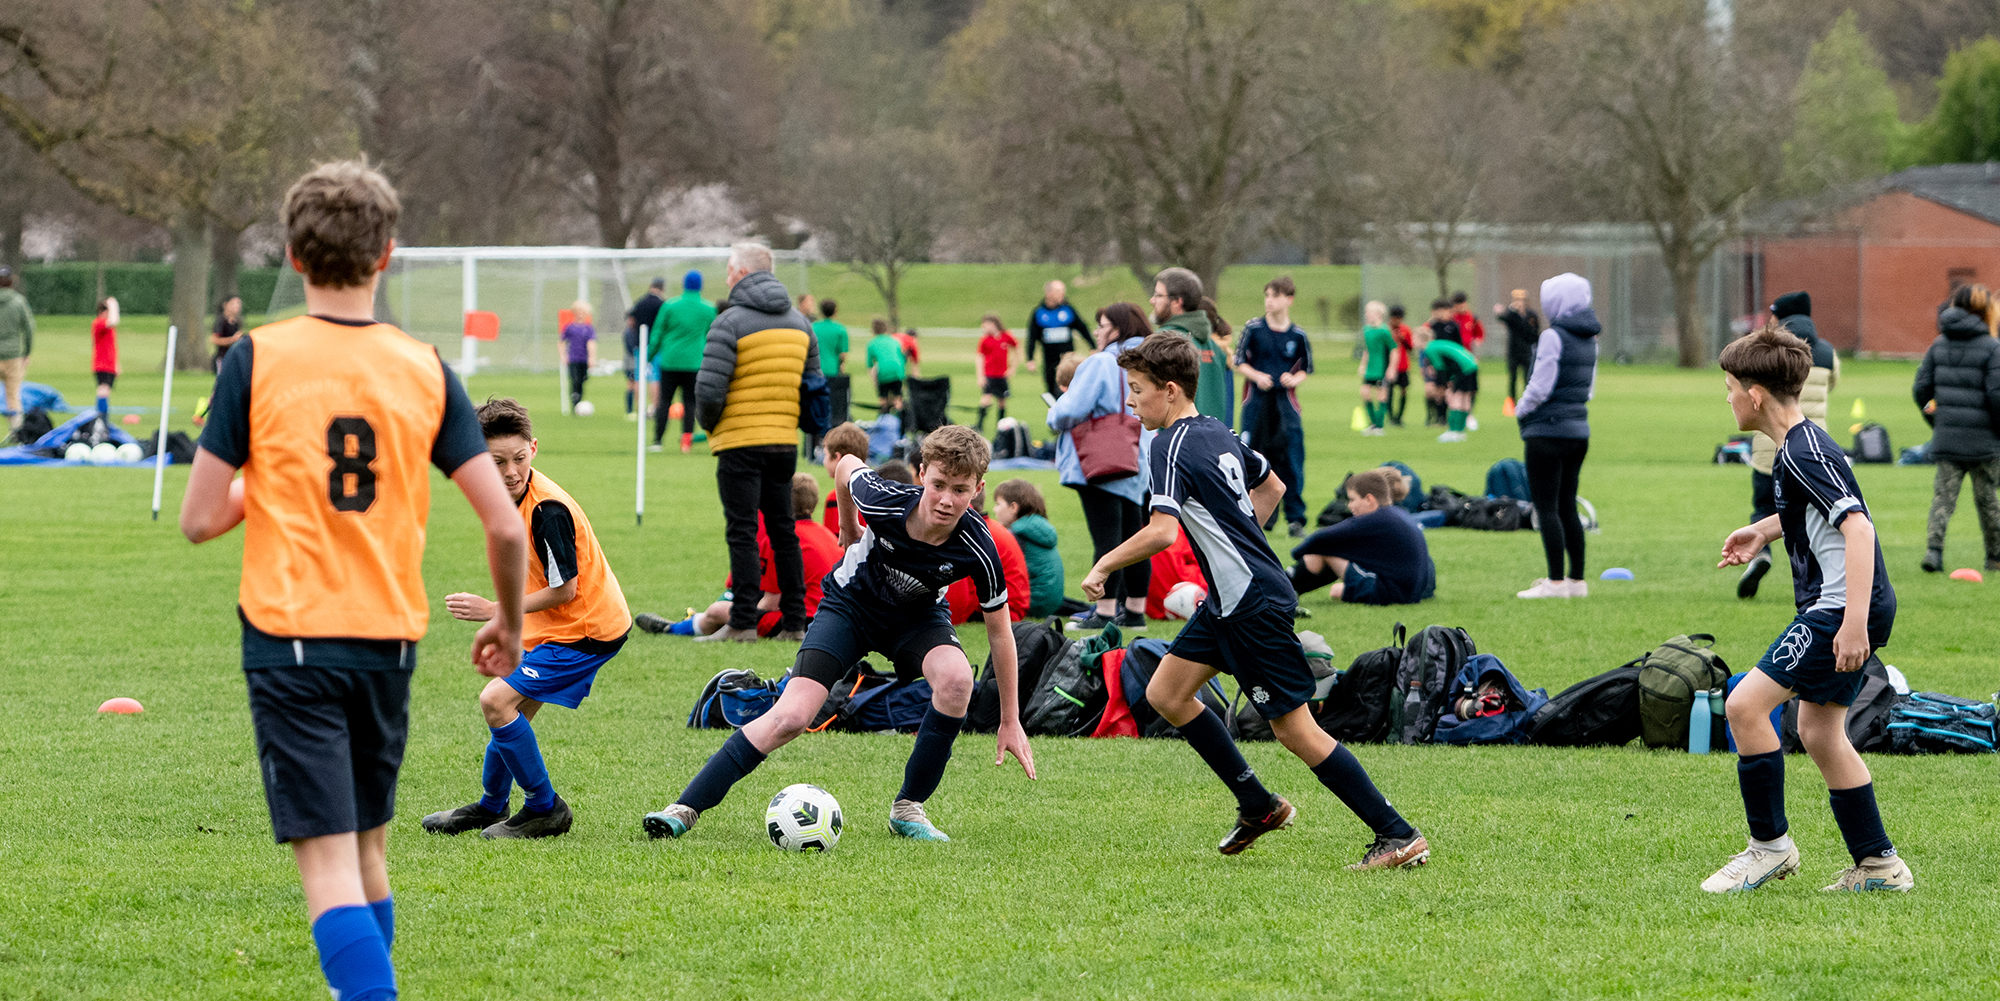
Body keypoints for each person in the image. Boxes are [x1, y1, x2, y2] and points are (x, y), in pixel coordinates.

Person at [177, 161, 527, 1001]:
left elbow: (197, 516)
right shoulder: (425, 366)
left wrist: (271, 473)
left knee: (330, 861)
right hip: (388, 640)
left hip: (290, 638)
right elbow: (506, 523)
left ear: (294, 258)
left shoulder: (257, 357)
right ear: (387, 255)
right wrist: (511, 626)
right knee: (369, 848)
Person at [1079, 333, 1431, 869]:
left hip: (1249, 604)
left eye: (1137, 390)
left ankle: (1397, 834)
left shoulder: (1165, 443)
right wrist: (1239, 543)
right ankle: (1257, 804)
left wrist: (1105, 563)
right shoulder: (1215, 430)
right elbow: (1273, 487)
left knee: (1295, 731)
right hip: (1230, 599)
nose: (1131, 402)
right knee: (1167, 694)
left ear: (1169, 391)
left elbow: (1161, 532)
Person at [642, 423, 1037, 843]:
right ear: (921, 473)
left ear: (978, 488)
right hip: (850, 608)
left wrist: (1009, 719)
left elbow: (1001, 634)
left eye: (959, 490)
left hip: (917, 620)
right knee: (793, 717)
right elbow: (846, 463)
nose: (944, 500)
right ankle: (683, 809)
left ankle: (908, 809)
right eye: (938, 484)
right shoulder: (884, 501)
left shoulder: (980, 544)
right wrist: (849, 528)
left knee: (958, 682)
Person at [1709, 319, 1910, 894]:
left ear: (1754, 394)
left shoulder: (1801, 452)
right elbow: (1816, 515)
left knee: (1745, 705)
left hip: (1841, 607)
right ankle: (1879, 867)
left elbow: (1858, 529)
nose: (1726, 399)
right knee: (1820, 731)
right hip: (1855, 605)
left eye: (1728, 388)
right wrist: (1764, 532)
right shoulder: (1799, 445)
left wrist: (1849, 623)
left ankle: (1768, 848)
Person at [422, 398, 631, 839]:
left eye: (519, 458)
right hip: (561, 625)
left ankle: (545, 809)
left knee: (495, 701)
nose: (511, 470)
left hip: (586, 630)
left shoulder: (545, 510)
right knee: (511, 708)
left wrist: (495, 611)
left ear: (533, 448)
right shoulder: (505, 498)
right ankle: (490, 806)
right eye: (497, 461)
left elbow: (566, 589)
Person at [693, 244, 820, 643]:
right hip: (784, 442)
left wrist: (712, 427)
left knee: (743, 531)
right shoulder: (801, 324)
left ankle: (743, 621)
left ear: (742, 272)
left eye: (730, 271)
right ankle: (796, 621)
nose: (728, 278)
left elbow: (710, 391)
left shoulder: (729, 322)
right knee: (784, 531)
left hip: (740, 441)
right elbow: (814, 385)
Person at [1047, 302, 1153, 631]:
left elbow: (1070, 410)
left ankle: (1104, 612)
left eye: (1101, 324)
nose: (1096, 331)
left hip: (1100, 459)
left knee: (1106, 538)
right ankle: (1135, 611)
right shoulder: (1151, 362)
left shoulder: (1102, 363)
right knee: (1134, 537)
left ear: (1116, 330)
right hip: (1139, 457)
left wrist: (1053, 413)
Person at [648, 473, 845, 638]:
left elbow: (771, 603)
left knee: (720, 610)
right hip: (834, 616)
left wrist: (738, 611)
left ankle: (674, 629)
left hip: (804, 621)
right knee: (736, 605)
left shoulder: (781, 538)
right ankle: (694, 621)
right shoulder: (825, 533)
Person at [1739, 291, 1838, 598]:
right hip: (1812, 446)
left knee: (1764, 505)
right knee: (1813, 512)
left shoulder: (1765, 352)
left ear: (1780, 317)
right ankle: (1819, 575)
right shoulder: (1826, 352)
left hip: (1770, 444)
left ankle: (1761, 554)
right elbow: (1832, 385)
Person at [1513, 273, 1599, 600]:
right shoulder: (1590, 338)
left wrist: (1521, 409)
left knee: (1545, 506)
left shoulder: (1553, 336)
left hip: (1546, 431)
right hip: (1578, 430)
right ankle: (1577, 581)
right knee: (1567, 505)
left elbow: (1540, 385)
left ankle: (1555, 582)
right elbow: (1588, 389)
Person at [1913, 282, 2000, 573]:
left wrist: (1936, 420)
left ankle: (1933, 552)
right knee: (1987, 501)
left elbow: (1920, 389)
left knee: (1943, 499)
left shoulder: (1939, 344)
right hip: (1984, 442)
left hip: (1948, 438)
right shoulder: (1992, 347)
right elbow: (1997, 396)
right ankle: (1995, 558)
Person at [1234, 275, 1313, 536]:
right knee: (1253, 459)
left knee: (1290, 459)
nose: (1269, 301)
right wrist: (1256, 376)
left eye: (1275, 296)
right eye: (1267, 295)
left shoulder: (1298, 335)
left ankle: (1296, 519)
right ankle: (1255, 517)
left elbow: (1306, 368)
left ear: (1288, 300)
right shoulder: (1253, 329)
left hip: (1286, 406)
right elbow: (1238, 362)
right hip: (1256, 403)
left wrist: (1294, 378)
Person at [1287, 469, 1435, 605]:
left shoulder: (1376, 518)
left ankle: (1284, 588)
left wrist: (1296, 553)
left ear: (1369, 499)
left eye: (1352, 499)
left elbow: (1320, 537)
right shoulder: (1397, 515)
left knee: (1328, 551)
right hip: (1411, 593)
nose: (1350, 506)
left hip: (1391, 594)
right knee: (1338, 552)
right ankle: (1289, 590)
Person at [1152, 268, 1231, 425]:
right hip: (1212, 440)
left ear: (1177, 301)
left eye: (1158, 295)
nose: (1152, 300)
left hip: (1176, 442)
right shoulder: (1213, 346)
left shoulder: (1163, 341)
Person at [946, 486, 1032, 623]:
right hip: (1013, 603)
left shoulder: (973, 532)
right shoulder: (989, 528)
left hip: (1007, 608)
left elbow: (957, 601)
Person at [651, 271, 715, 453]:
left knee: (664, 401)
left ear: (684, 284)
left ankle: (657, 440)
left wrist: (649, 355)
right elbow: (712, 334)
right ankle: (686, 442)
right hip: (694, 362)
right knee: (690, 402)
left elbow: (657, 333)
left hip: (670, 361)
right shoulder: (708, 308)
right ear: (700, 285)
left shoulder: (670, 306)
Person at [993, 479, 1065, 618]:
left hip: (1033, 603)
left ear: (1013, 507)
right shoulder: (1036, 527)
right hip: (1049, 601)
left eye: (998, 504)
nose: (994, 509)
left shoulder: (1017, 533)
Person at [1026, 279, 1094, 398]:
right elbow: (1032, 337)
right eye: (1058, 291)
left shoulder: (1068, 310)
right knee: (1052, 391)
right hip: (1049, 361)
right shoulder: (1039, 313)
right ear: (1049, 293)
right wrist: (1030, 358)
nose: (1062, 294)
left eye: (1063, 291)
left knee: (1067, 390)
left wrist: (1092, 346)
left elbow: (1082, 328)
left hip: (1068, 360)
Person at [1422, 324, 1478, 443]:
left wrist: (1444, 386)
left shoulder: (1429, 348)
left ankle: (1453, 431)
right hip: (1471, 365)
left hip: (1463, 369)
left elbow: (1440, 368)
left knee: (1454, 398)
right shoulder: (1438, 343)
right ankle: (1460, 432)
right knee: (1465, 398)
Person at [624, 277, 668, 418]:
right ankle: (655, 408)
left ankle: (640, 410)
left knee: (639, 377)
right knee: (655, 377)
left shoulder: (640, 302)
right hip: (656, 346)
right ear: (662, 288)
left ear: (651, 286)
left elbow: (630, 321)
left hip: (640, 345)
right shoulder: (662, 304)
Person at [1494, 289, 1541, 403]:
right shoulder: (1512, 315)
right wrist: (1501, 312)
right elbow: (1502, 318)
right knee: (1513, 378)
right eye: (1517, 300)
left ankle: (1527, 400)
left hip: (1526, 350)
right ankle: (1512, 402)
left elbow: (1535, 331)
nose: (1519, 302)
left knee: (1527, 378)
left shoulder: (1531, 315)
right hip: (1513, 350)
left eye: (1521, 300)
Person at [1357, 301, 1395, 437]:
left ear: (1378, 314)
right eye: (1367, 312)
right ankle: (1373, 424)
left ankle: (1379, 426)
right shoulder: (1366, 330)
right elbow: (1367, 349)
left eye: (1370, 312)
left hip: (1381, 368)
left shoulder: (1384, 330)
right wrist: (1362, 365)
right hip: (1370, 368)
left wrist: (1391, 367)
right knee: (1365, 392)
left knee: (1381, 395)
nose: (1367, 315)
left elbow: (1393, 349)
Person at [0, 266, 31, 432]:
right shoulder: (18, 301)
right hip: (13, 355)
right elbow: (29, 328)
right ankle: (17, 433)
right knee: (13, 396)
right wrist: (27, 352)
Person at [975, 314, 1018, 433]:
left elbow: (1016, 349)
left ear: (993, 324)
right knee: (986, 398)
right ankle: (979, 424)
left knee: (1002, 401)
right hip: (989, 374)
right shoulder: (985, 339)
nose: (984, 327)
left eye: (985, 325)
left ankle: (1001, 425)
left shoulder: (1006, 336)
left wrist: (1013, 367)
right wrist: (980, 376)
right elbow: (979, 357)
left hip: (1002, 375)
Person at [559, 301, 597, 411]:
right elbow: (562, 342)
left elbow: (591, 343)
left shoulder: (588, 328)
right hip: (573, 359)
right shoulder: (569, 327)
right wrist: (563, 355)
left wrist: (592, 357)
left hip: (584, 359)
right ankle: (575, 403)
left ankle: (579, 400)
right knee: (575, 381)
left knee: (582, 381)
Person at [865, 317, 906, 418]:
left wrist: (875, 382)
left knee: (883, 399)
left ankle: (884, 420)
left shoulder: (872, 343)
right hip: (897, 371)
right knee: (898, 398)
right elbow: (901, 359)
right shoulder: (894, 341)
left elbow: (870, 366)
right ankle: (900, 422)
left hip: (883, 372)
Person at [90, 297, 119, 416]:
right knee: (103, 389)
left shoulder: (107, 327)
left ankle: (102, 415)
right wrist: (113, 305)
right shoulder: (99, 323)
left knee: (106, 390)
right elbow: (114, 320)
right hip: (102, 364)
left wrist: (116, 365)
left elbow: (112, 347)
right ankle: (101, 415)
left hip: (109, 364)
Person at [1387, 304, 1414, 427]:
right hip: (1390, 366)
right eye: (1395, 318)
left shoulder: (1406, 330)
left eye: (1399, 318)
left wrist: (1402, 339)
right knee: (1389, 392)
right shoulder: (1386, 330)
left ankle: (1399, 417)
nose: (1397, 321)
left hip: (1403, 366)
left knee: (1403, 391)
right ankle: (1391, 417)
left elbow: (1411, 348)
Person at [812, 298, 848, 375]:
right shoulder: (840, 329)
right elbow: (843, 355)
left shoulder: (813, 327)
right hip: (832, 369)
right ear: (835, 311)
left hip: (815, 369)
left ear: (821, 311)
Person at [211, 294, 245, 374]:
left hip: (235, 358)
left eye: (239, 304)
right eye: (233, 303)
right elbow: (214, 339)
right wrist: (232, 340)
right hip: (223, 358)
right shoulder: (221, 321)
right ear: (225, 305)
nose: (237, 306)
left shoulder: (238, 322)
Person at [1451, 291, 1485, 355]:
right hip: (1455, 349)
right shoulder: (1451, 318)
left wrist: (1477, 341)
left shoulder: (1473, 318)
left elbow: (1479, 333)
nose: (1460, 308)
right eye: (1458, 306)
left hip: (1469, 350)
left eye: (1462, 305)